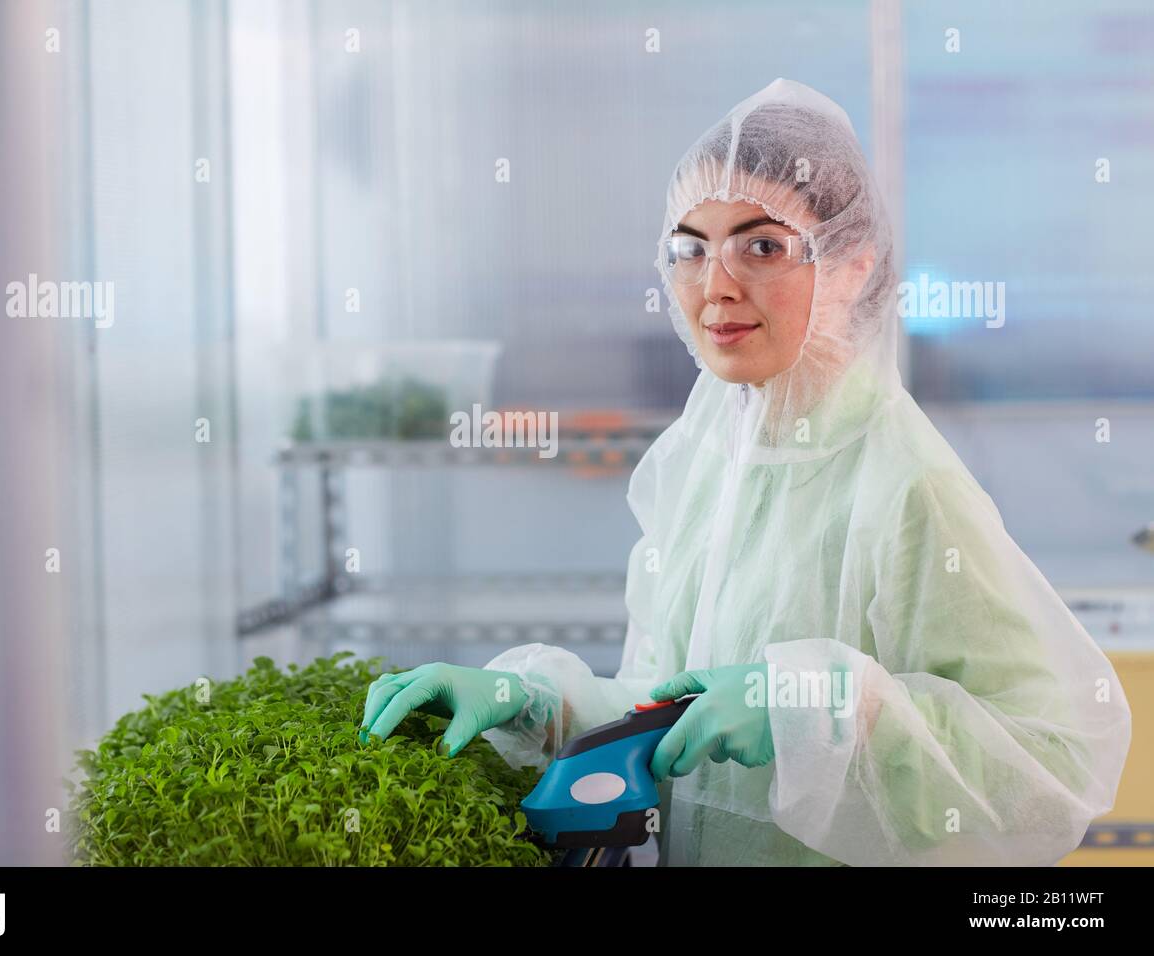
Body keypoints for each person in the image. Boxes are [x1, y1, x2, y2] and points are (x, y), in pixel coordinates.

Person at [359, 78, 1131, 865]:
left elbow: (1053, 761)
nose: (716, 286)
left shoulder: (904, 484)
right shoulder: (706, 458)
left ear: (852, 264)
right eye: (691, 249)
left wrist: (831, 705)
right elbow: (670, 705)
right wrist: (536, 704)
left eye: (762, 246)